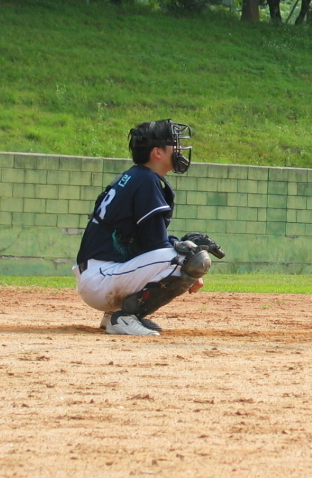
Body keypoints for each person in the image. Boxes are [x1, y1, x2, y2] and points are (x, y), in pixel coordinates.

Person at [74, 120, 224, 336]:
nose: (179, 148)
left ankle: (114, 315)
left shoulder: (136, 176)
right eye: (174, 143)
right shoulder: (146, 180)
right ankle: (125, 318)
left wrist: (178, 244)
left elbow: (144, 241)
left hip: (99, 276)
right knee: (191, 258)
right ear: (157, 152)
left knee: (186, 255)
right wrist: (189, 258)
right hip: (102, 278)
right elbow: (155, 245)